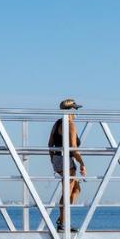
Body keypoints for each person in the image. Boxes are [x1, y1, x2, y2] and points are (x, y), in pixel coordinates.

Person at [48, 98, 87, 231]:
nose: (76, 112)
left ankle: (62, 220)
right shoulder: (70, 124)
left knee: (76, 189)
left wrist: (53, 160)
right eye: (75, 109)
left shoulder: (58, 123)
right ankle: (62, 224)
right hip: (66, 161)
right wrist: (82, 163)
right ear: (69, 110)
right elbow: (74, 148)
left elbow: (50, 144)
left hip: (58, 159)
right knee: (67, 192)